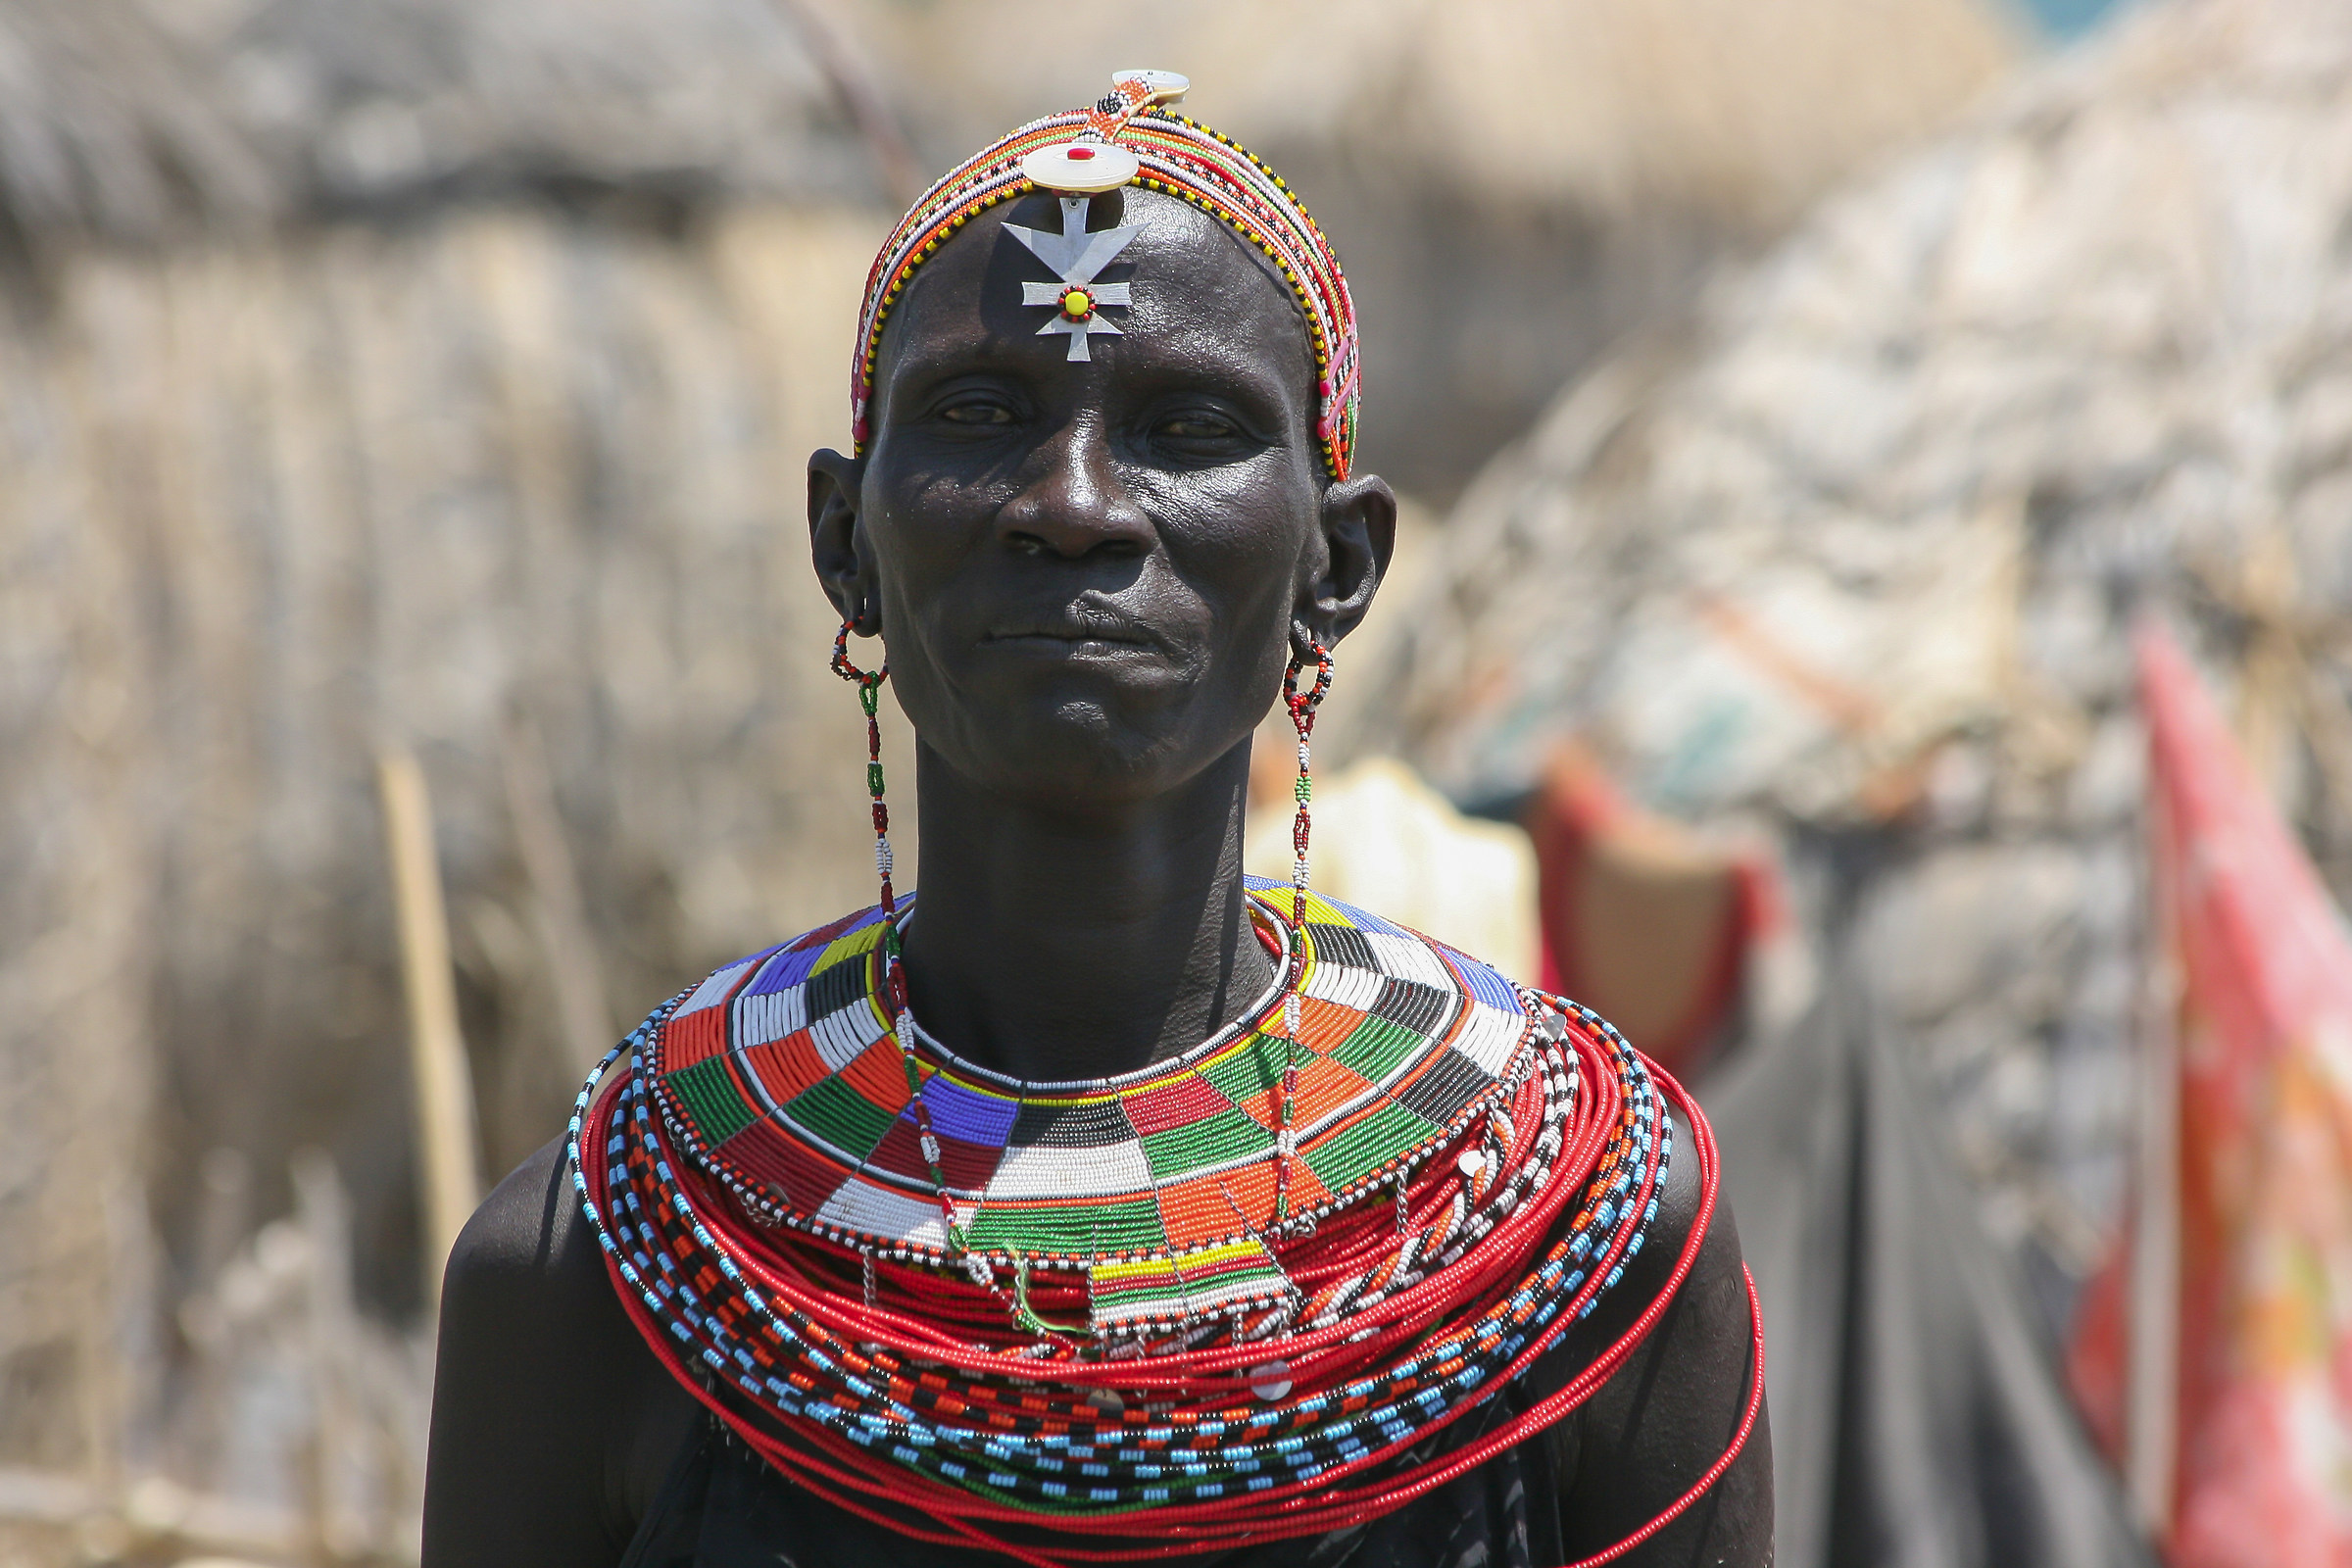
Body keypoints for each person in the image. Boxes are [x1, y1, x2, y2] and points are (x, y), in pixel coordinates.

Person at [421, 72, 1770, 1567]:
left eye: (1188, 425)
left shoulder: (1592, 1234)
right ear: (842, 544)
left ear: (1339, 567)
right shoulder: (603, 1265)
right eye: (981, 412)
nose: (1073, 502)